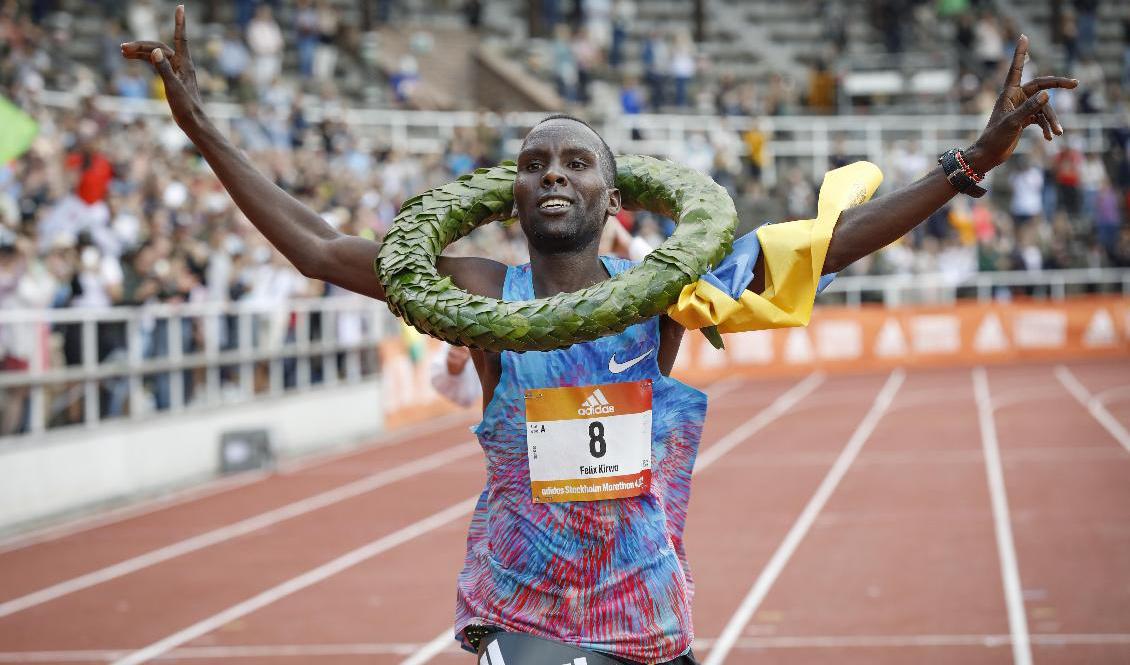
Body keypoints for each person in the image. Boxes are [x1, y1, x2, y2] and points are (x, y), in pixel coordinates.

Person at [122, 9, 1076, 663]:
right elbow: (319, 246)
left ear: (613, 196)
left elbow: (824, 245)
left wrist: (971, 161)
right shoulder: (478, 291)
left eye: (576, 161)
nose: (553, 173)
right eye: (534, 161)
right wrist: (201, 129)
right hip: (521, 601)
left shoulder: (666, 291)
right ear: (510, 195)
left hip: (644, 599)